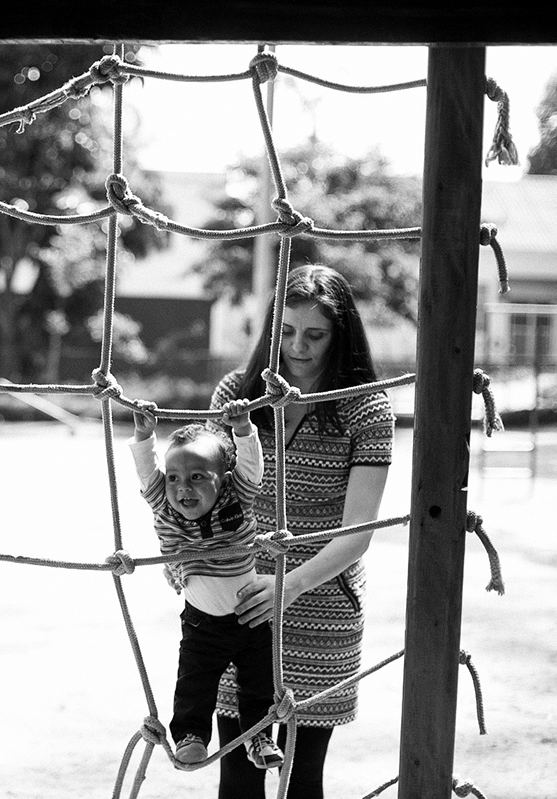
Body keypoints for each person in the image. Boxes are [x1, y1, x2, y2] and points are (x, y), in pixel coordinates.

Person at [209, 264, 394, 799]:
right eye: (286, 331)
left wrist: (288, 586)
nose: (297, 346)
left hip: (321, 606)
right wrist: (189, 560)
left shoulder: (367, 407)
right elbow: (204, 498)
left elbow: (358, 532)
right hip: (238, 600)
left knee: (301, 777)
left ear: (341, 334)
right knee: (237, 774)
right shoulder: (238, 394)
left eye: (315, 334)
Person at [130, 400, 284, 772]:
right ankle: (190, 737)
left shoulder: (237, 497)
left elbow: (251, 467)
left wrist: (244, 430)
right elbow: (147, 471)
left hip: (251, 618)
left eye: (198, 476)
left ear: (224, 480)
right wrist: (144, 435)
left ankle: (259, 737)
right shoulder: (165, 508)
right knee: (194, 684)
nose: (183, 487)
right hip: (202, 625)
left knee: (259, 684)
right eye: (173, 477)